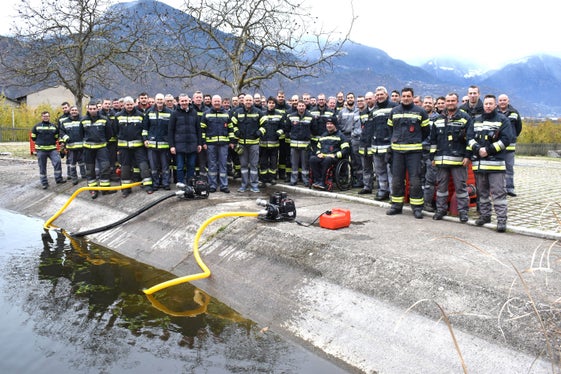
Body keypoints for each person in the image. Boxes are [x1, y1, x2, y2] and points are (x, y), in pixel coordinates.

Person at [468, 94, 514, 232]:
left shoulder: (502, 120)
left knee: (498, 194)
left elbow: (506, 140)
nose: (487, 106)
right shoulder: (476, 121)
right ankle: (485, 216)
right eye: (486, 103)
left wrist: (488, 150)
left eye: (490, 104)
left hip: (495, 165)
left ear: (495, 105)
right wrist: (477, 148)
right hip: (479, 165)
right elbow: (469, 138)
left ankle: (501, 220)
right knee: (482, 193)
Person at [386, 87, 430, 219]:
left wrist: (414, 141)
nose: (405, 98)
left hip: (414, 152)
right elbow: (390, 129)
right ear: (400, 97)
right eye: (403, 96)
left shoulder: (421, 112)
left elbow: (426, 131)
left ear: (412, 97)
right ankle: (396, 205)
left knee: (415, 180)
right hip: (397, 152)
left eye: (408, 96)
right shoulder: (394, 111)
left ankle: (417, 207)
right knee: (397, 180)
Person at [429, 93, 474, 223]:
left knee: (460, 187)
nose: (450, 103)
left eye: (453, 101)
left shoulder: (465, 118)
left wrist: (467, 156)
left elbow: (470, 139)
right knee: (441, 187)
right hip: (441, 160)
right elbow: (433, 140)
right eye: (448, 101)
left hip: (459, 160)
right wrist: (432, 156)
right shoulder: (438, 119)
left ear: (457, 102)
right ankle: (441, 210)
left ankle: (463, 212)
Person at [116, 96, 153, 197]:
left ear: (134, 104)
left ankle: (148, 186)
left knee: (143, 166)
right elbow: (115, 131)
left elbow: (144, 129)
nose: (129, 106)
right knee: (125, 168)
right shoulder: (118, 116)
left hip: (138, 146)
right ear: (124, 105)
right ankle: (126, 189)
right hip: (124, 147)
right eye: (127, 105)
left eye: (131, 104)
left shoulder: (141, 115)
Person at [363, 87, 397, 199]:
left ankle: (393, 194)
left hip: (389, 146)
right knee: (380, 171)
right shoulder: (374, 110)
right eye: (377, 95)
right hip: (376, 146)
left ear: (386, 95)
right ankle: (383, 191)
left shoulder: (394, 107)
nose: (379, 96)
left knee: (391, 172)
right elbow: (370, 129)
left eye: (381, 94)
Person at [230, 94, 265, 193]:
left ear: (252, 101)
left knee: (254, 165)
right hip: (242, 144)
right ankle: (244, 185)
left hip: (254, 144)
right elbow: (232, 124)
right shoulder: (238, 112)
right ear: (243, 101)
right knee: (244, 165)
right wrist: (236, 131)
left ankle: (254, 185)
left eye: (250, 100)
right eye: (247, 100)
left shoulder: (258, 112)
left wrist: (259, 132)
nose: (248, 102)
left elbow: (265, 124)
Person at [169, 93, 202, 189]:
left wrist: (199, 143)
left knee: (191, 165)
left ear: (189, 101)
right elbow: (170, 131)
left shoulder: (194, 113)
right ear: (179, 102)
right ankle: (180, 184)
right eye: (182, 101)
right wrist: (172, 146)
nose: (184, 103)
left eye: (185, 101)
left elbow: (198, 129)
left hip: (192, 144)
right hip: (179, 145)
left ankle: (190, 184)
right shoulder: (174, 114)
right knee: (179, 166)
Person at [80, 103, 113, 199]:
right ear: (88, 109)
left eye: (94, 108)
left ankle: (105, 189)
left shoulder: (104, 119)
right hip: (88, 149)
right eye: (91, 108)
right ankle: (93, 190)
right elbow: (80, 134)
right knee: (90, 170)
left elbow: (109, 134)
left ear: (97, 109)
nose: (93, 110)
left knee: (105, 167)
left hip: (101, 148)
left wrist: (102, 141)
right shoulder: (83, 121)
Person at [201, 95, 233, 193]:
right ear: (212, 102)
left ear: (221, 102)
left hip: (223, 144)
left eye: (218, 101)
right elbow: (202, 130)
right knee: (212, 165)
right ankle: (212, 185)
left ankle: (224, 186)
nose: (217, 103)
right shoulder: (206, 114)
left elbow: (231, 129)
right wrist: (203, 142)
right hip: (210, 144)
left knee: (223, 165)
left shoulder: (227, 114)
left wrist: (231, 141)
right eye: (215, 101)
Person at [310, 116, 350, 190]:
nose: (329, 125)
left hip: (334, 159)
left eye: (331, 124)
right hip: (323, 157)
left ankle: (323, 182)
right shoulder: (323, 135)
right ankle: (317, 181)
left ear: (335, 125)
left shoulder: (341, 136)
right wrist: (318, 153)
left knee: (327, 160)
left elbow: (346, 149)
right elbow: (318, 148)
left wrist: (335, 155)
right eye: (327, 123)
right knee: (313, 159)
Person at [143, 93, 173, 191]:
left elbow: (171, 130)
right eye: (158, 99)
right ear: (155, 101)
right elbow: (145, 128)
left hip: (164, 145)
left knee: (165, 166)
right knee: (153, 167)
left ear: (164, 101)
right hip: (152, 145)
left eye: (161, 99)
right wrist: (145, 139)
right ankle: (155, 183)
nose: (159, 101)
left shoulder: (169, 112)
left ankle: (165, 183)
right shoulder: (149, 112)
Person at [31, 111, 66, 189]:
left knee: (57, 162)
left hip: (52, 149)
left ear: (49, 117)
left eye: (47, 116)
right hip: (41, 150)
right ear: (42, 117)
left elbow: (56, 136)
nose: (45, 117)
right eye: (44, 116)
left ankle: (58, 179)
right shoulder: (37, 126)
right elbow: (33, 137)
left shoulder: (54, 127)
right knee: (42, 166)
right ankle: (44, 183)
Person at [497, 94, 523, 197]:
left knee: (509, 168)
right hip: (497, 145)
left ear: (508, 101)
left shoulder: (514, 112)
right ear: (498, 102)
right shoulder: (494, 112)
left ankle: (510, 188)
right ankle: (499, 188)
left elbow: (518, 127)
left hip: (510, 146)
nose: (502, 102)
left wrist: (512, 136)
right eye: (500, 100)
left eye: (504, 100)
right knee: (497, 168)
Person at [259, 97, 287, 187]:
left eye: (273, 103)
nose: (271, 104)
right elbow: (258, 126)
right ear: (267, 104)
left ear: (275, 104)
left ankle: (272, 178)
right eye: (270, 102)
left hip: (274, 144)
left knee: (273, 162)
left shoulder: (279, 115)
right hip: (263, 144)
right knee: (263, 162)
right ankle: (263, 179)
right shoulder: (262, 114)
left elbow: (283, 127)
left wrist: (278, 133)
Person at [287, 100, 315, 187]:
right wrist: (291, 136)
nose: (301, 107)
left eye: (303, 106)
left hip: (305, 145)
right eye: (300, 106)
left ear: (305, 106)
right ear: (297, 107)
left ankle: (305, 180)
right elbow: (287, 129)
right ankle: (293, 180)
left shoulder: (310, 117)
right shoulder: (291, 116)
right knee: (294, 163)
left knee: (305, 164)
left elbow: (314, 129)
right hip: (294, 144)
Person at [337, 92, 362, 188]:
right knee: (344, 158)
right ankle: (345, 179)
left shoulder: (358, 111)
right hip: (345, 137)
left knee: (356, 160)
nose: (350, 99)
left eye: (351, 97)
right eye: (348, 98)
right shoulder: (341, 112)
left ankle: (358, 179)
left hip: (355, 138)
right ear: (346, 100)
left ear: (354, 99)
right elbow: (339, 125)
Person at [58, 105, 86, 185]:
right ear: (70, 111)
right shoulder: (65, 121)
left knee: (82, 162)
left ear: (78, 111)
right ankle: (74, 178)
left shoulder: (82, 120)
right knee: (72, 164)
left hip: (81, 146)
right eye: (72, 110)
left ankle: (84, 175)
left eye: (75, 110)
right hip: (71, 147)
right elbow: (61, 132)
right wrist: (66, 138)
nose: (74, 111)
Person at [421, 96, 438, 212]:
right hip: (419, 151)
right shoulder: (419, 116)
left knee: (430, 179)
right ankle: (418, 201)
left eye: (429, 103)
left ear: (434, 104)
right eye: (425, 102)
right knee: (419, 178)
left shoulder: (438, 118)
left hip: (432, 152)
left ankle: (427, 203)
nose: (427, 104)